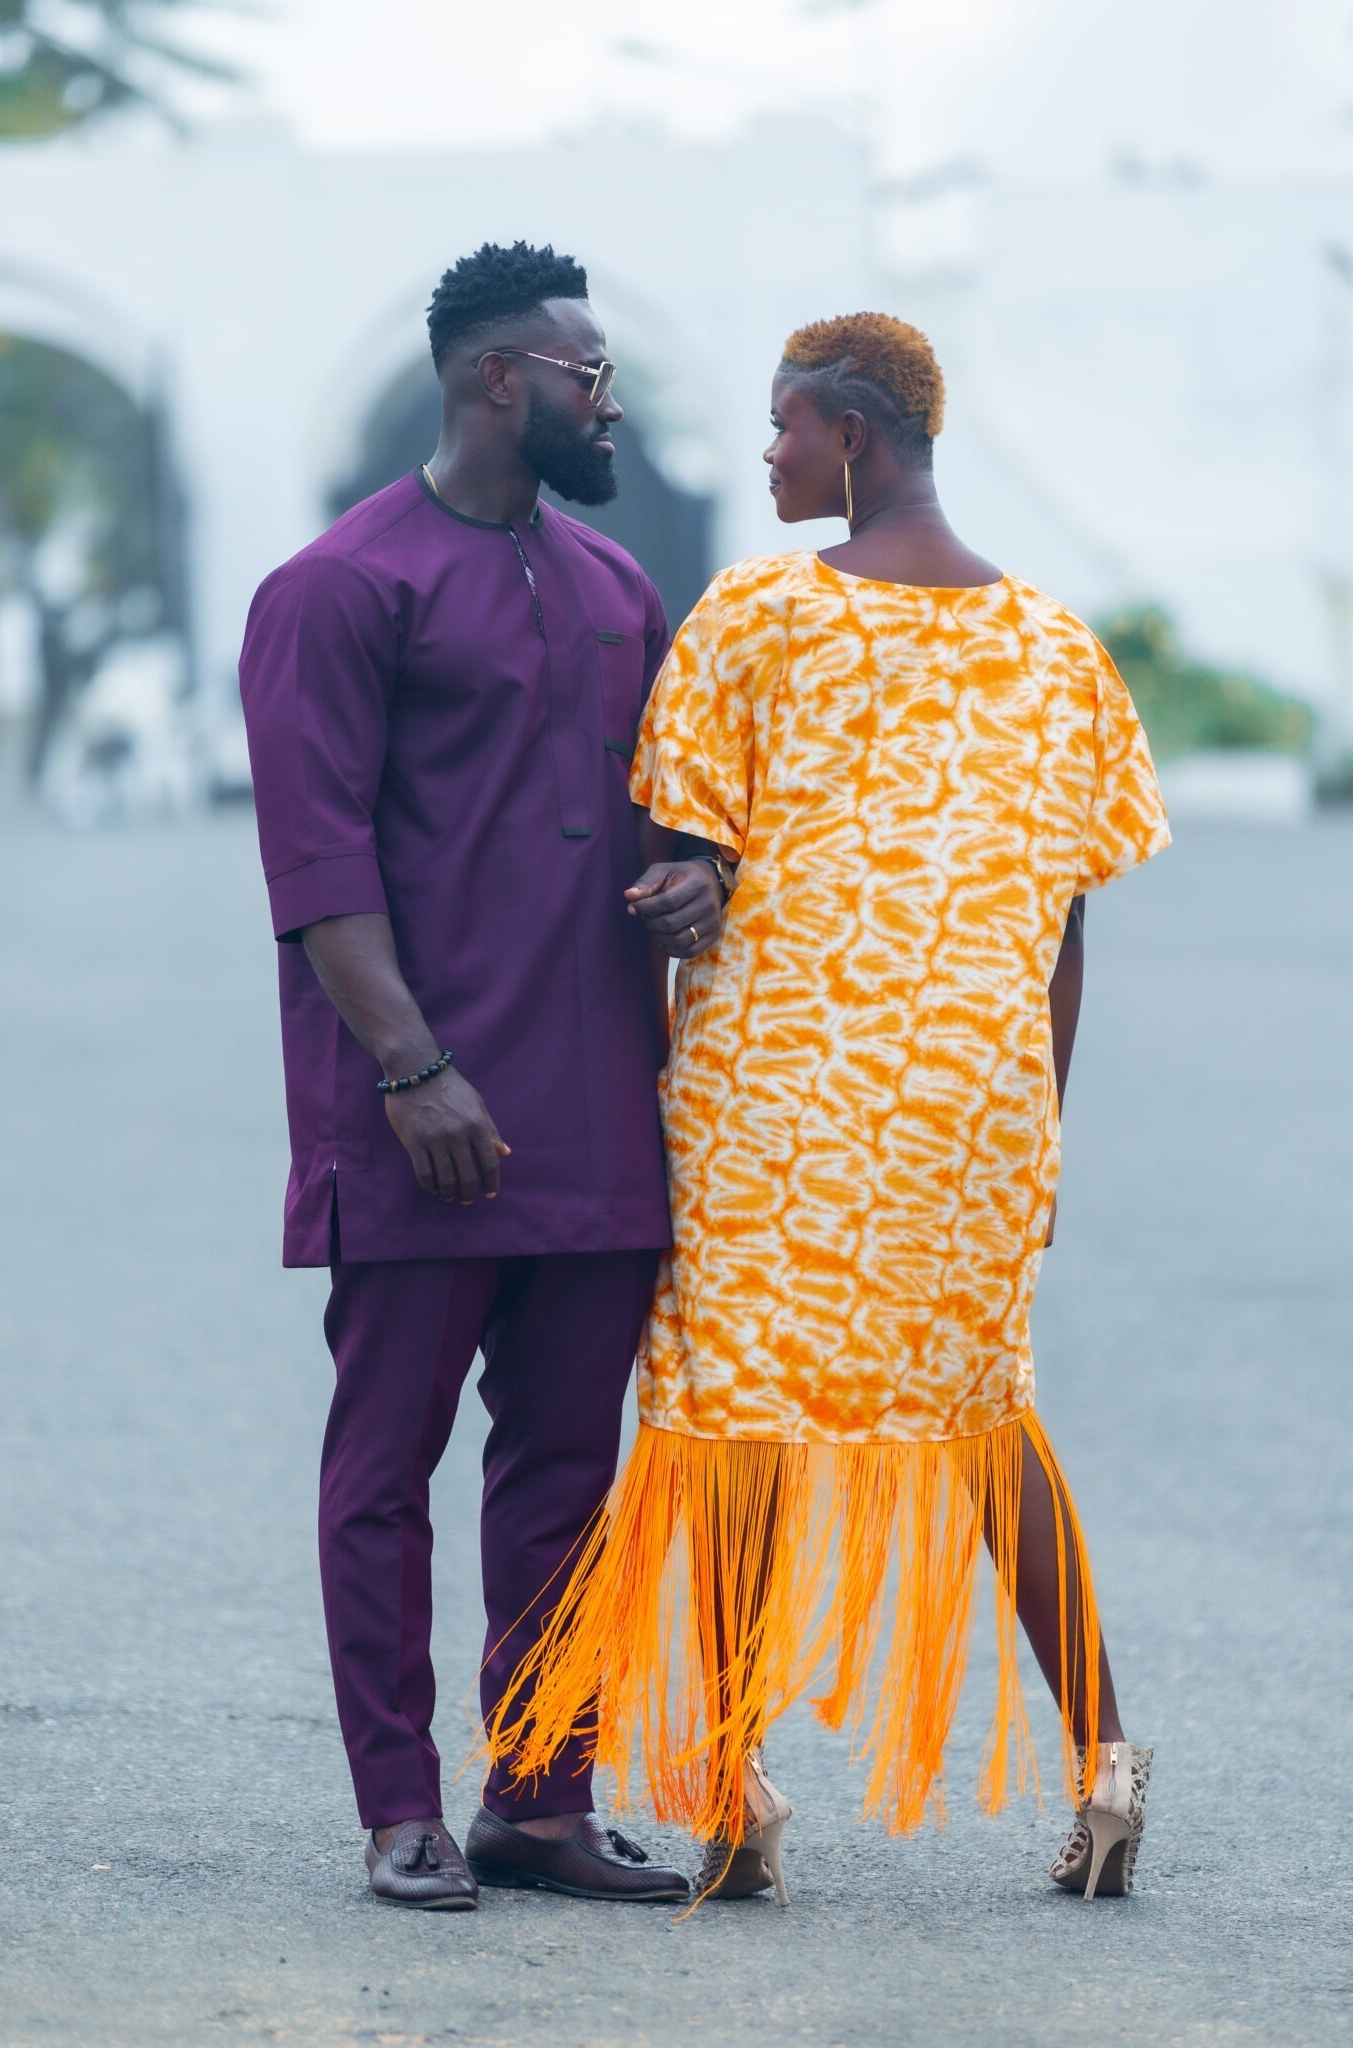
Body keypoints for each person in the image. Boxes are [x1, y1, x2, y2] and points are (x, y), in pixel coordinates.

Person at [488, 312, 1170, 1907]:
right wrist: (1033, 1132)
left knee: (733, 1419)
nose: (768, 451)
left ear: (848, 435)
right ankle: (1105, 1765)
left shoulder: (759, 613)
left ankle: (733, 1790)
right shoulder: (1054, 647)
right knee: (984, 1419)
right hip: (972, 1107)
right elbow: (1066, 925)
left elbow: (679, 864)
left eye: (784, 425)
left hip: (775, 1089)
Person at [238, 240, 729, 1910]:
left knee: (566, 1479)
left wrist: (696, 878)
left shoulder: (615, 586)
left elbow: (664, 815)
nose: (613, 405)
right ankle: (400, 1807)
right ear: (496, 379)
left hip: (597, 1115)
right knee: (384, 1474)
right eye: (592, 378)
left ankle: (539, 1796)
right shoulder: (334, 588)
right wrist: (411, 1069)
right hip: (420, 1117)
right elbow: (315, 866)